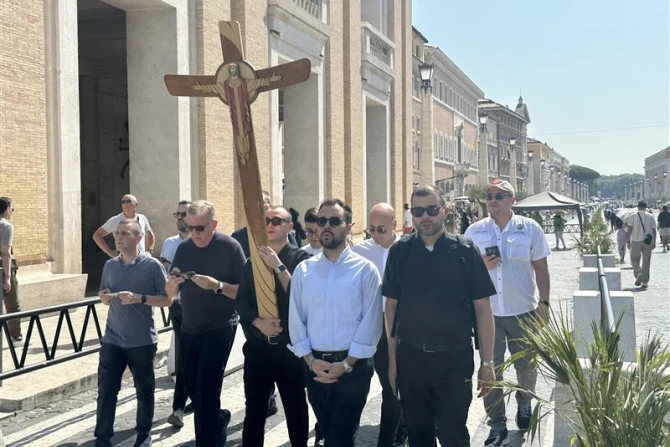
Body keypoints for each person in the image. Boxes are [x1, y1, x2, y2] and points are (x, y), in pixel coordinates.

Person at [384, 185, 496, 447]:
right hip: (411, 359)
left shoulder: (466, 251)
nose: (425, 217)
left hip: (455, 361)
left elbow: (483, 308)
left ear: (444, 211)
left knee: (453, 433)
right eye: (419, 211)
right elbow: (391, 308)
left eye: (432, 210)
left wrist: (487, 362)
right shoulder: (400, 252)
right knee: (418, 435)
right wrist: (392, 360)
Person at [289, 199, 383, 447]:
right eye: (322, 221)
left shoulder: (365, 270)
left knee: (341, 437)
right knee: (328, 432)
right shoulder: (303, 270)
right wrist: (311, 361)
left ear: (349, 226)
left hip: (353, 369)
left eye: (334, 221)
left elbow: (372, 322)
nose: (326, 226)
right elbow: (296, 319)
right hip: (315, 368)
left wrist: (347, 364)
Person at [464, 179, 551, 447]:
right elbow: (460, 272)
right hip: (487, 314)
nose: (492, 200)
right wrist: (479, 265)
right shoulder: (473, 231)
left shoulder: (530, 228)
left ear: (512, 200)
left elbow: (541, 268)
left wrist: (544, 305)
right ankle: (497, 424)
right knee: (491, 369)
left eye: (499, 195)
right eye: (489, 196)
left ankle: (524, 402)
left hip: (523, 311)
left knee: (527, 366)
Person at [166, 201, 246, 447]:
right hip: (189, 326)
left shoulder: (230, 247)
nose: (195, 234)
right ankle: (219, 418)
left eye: (200, 228)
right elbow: (169, 291)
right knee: (190, 386)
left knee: (207, 391)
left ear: (214, 224)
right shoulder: (184, 249)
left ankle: (208, 441)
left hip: (220, 326)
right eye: (189, 228)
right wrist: (173, 283)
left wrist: (217, 286)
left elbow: (246, 292)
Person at [237, 205, 311, 447]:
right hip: (259, 350)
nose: (270, 224)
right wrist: (259, 323)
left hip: (290, 350)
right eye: (266, 220)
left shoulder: (302, 260)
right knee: (255, 412)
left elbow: (302, 298)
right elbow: (242, 302)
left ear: (290, 227)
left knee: (295, 409)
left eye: (277, 221)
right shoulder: (252, 262)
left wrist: (278, 266)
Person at [94, 219, 171, 447]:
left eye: (124, 233)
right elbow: (104, 294)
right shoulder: (110, 266)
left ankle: (144, 432)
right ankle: (102, 436)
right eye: (116, 233)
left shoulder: (152, 266)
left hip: (141, 341)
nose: (117, 237)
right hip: (112, 339)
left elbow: (167, 300)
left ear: (138, 238)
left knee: (144, 389)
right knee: (106, 390)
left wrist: (140, 298)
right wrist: (104, 297)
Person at [353, 203, 407, 447]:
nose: (375, 235)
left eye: (381, 230)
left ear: (394, 225)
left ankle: (392, 435)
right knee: (386, 384)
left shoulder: (408, 248)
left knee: (396, 384)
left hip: (402, 326)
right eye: (371, 229)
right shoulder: (360, 251)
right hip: (372, 326)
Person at [161, 200, 193, 428]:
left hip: (202, 308)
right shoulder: (170, 243)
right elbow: (165, 273)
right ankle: (178, 407)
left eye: (184, 214)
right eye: (177, 214)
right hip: (179, 306)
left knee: (197, 357)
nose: (180, 218)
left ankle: (200, 400)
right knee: (182, 354)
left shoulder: (204, 242)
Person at [0, 197, 22, 343]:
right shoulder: (6, 226)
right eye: (11, 209)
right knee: (12, 304)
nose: (12, 212)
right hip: (3, 268)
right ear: (7, 209)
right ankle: (16, 337)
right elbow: (6, 252)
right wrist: (7, 277)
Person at [625, 200, 657, 289]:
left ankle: (638, 272)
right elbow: (654, 229)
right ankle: (645, 282)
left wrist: (628, 241)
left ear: (638, 207)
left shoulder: (632, 216)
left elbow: (629, 229)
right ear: (645, 207)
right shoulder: (650, 216)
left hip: (635, 240)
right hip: (647, 241)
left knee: (634, 259)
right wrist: (654, 241)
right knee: (646, 261)